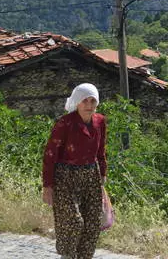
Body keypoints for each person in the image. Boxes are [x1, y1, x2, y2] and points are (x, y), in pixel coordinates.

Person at [42, 83, 108, 259]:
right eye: (85, 100)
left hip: (91, 176)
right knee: (74, 221)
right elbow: (50, 154)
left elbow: (101, 150)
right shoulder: (65, 123)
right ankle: (68, 256)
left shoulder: (99, 121)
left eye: (93, 100)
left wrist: (102, 175)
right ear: (77, 102)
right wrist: (47, 186)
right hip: (66, 177)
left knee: (93, 222)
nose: (89, 105)